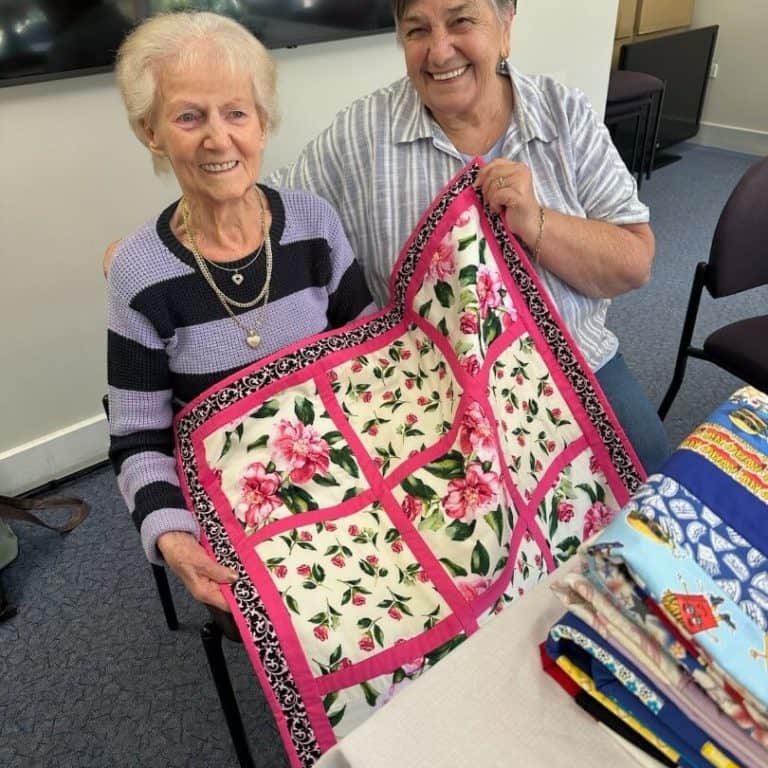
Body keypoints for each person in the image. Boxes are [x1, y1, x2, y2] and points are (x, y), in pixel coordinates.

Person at [268, 0, 670, 474]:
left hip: (571, 363)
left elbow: (634, 263)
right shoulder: (363, 134)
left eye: (461, 21)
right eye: (417, 30)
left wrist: (536, 221)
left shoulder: (564, 115)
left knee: (651, 485)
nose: (439, 52)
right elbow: (272, 215)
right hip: (425, 385)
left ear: (505, 26)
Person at [107, 11, 375, 610]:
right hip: (229, 495)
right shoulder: (139, 272)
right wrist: (174, 539)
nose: (217, 138)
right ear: (151, 132)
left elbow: (366, 362)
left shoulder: (314, 225)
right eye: (188, 117)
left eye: (236, 112)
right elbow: (137, 436)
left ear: (263, 122)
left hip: (338, 465)